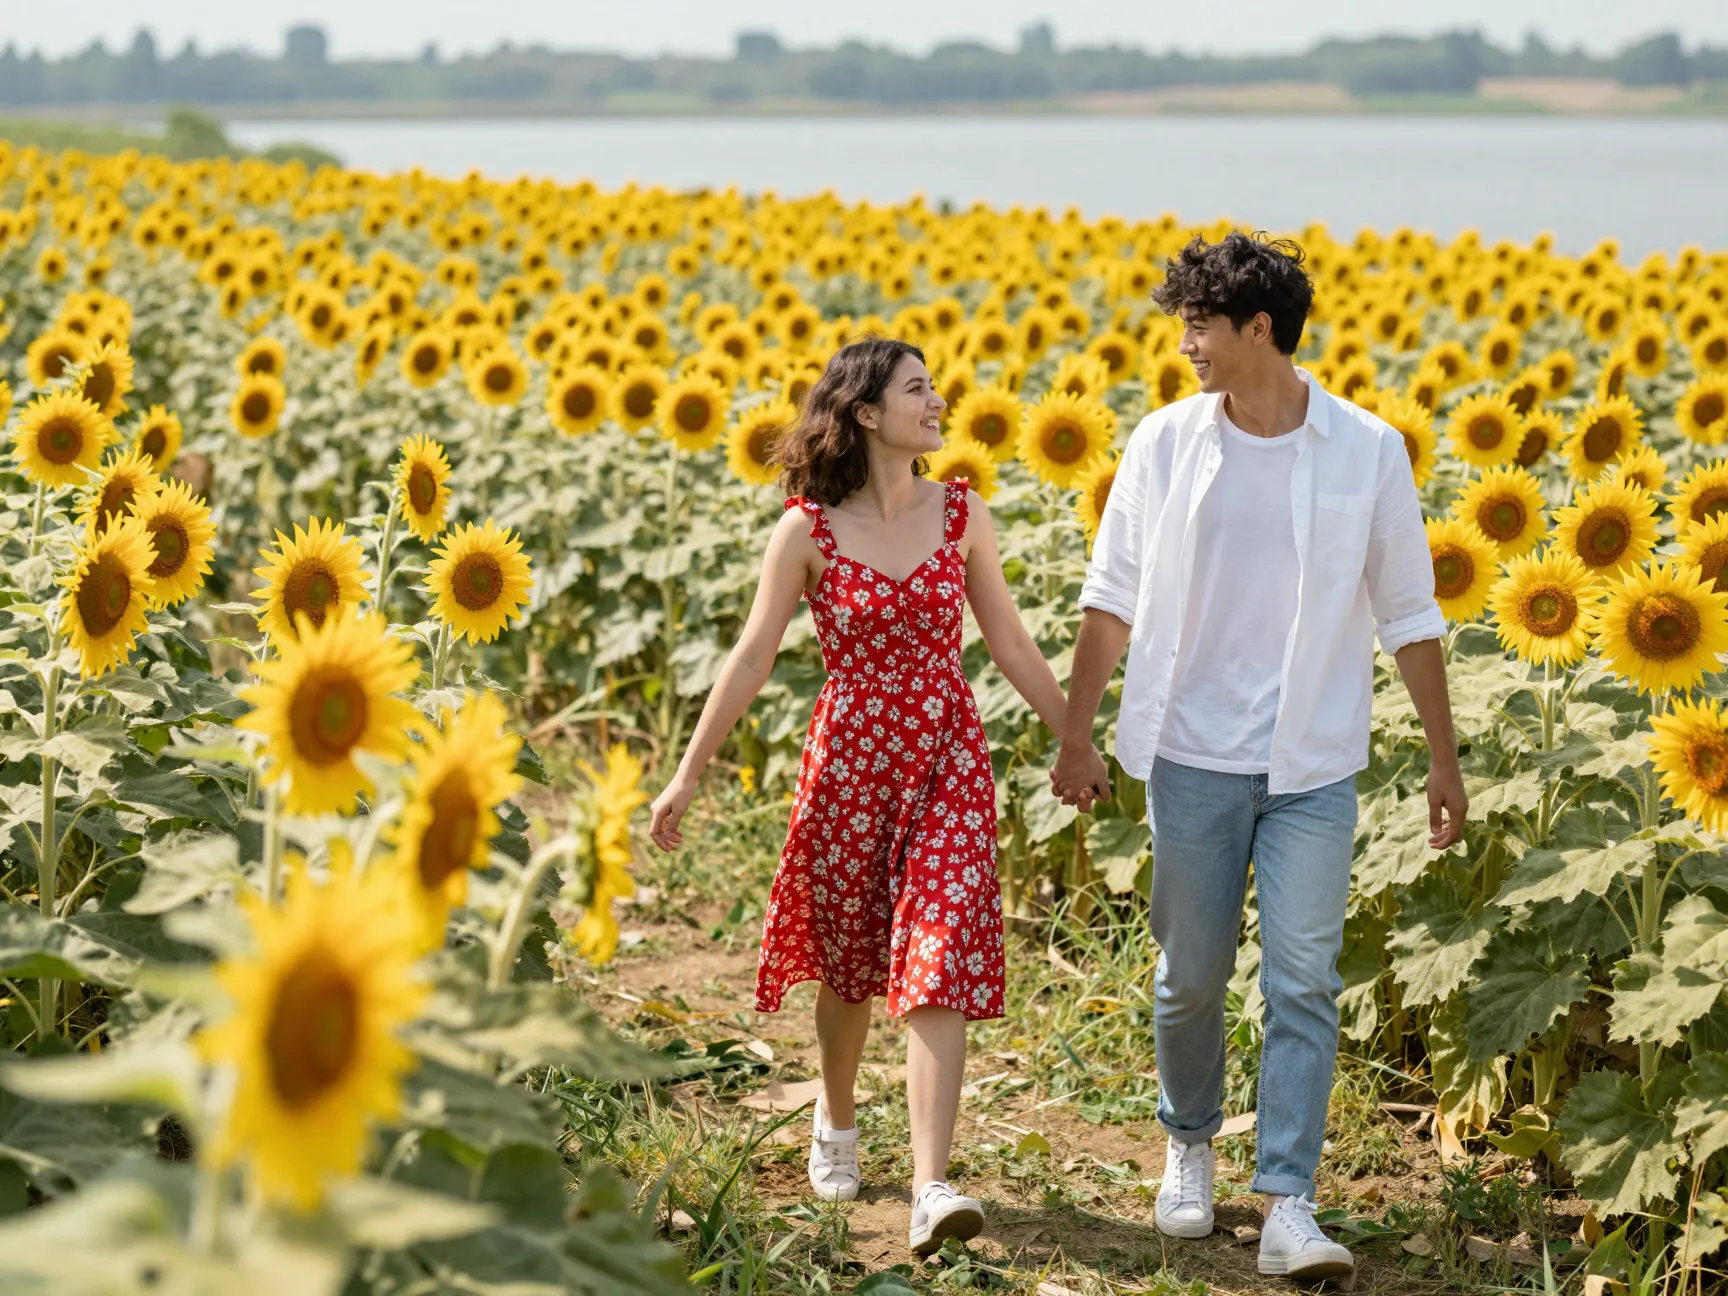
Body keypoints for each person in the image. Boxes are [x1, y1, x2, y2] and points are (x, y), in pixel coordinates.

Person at [1051, 232, 1466, 1282]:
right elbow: (1112, 595)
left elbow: (1409, 613)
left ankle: (1288, 1197)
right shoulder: (1162, 443)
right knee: (1189, 979)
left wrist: (1443, 758)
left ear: (1259, 330)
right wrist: (1076, 726)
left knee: (1303, 982)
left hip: (1312, 763)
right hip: (1189, 752)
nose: (1185, 343)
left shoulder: (1368, 449)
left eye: (1200, 324)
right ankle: (1188, 1144)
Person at [649, 337, 1074, 1257]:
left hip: (946, 759)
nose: (938, 400)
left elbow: (1008, 642)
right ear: (869, 413)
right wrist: (687, 771)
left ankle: (931, 1186)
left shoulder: (964, 512)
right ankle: (835, 1121)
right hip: (847, 764)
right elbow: (753, 656)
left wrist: (1073, 734)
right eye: (918, 389)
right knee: (849, 967)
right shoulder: (805, 529)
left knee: (938, 953)